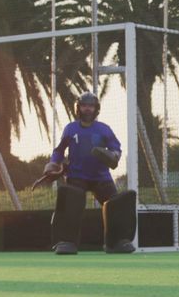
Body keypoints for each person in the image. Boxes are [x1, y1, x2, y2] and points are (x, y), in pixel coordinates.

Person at [42, 91, 136, 255]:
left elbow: (116, 148)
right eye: (84, 105)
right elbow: (59, 150)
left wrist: (114, 155)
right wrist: (53, 163)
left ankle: (117, 243)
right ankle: (66, 242)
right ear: (78, 108)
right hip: (77, 176)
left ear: (96, 109)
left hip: (101, 178)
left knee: (116, 206)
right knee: (70, 205)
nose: (87, 109)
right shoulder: (70, 129)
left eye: (91, 106)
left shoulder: (104, 129)